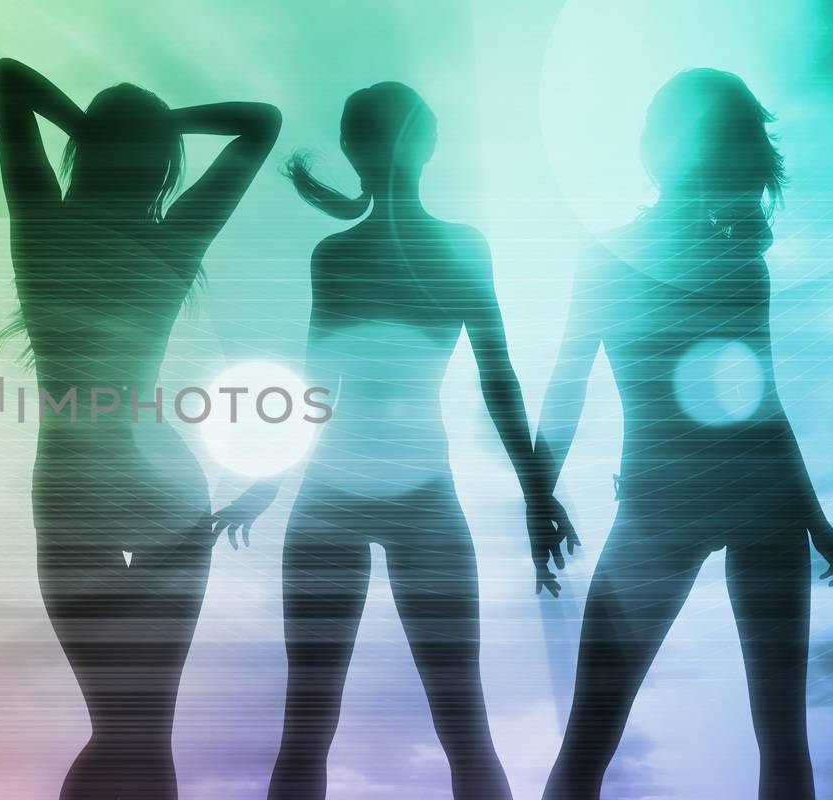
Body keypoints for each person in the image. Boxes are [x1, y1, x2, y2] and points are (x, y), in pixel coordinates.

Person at [213, 82, 575, 800]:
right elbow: (495, 380)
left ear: (355, 148)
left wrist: (267, 484)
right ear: (427, 144)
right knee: (457, 724)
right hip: (415, 496)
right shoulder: (452, 248)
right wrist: (538, 494)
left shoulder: (341, 254)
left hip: (338, 497)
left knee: (311, 726)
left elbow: (319, 389)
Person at [537, 69, 833, 800]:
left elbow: (569, 387)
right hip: (738, 508)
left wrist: (538, 493)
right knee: (780, 739)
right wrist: (814, 519)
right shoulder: (736, 263)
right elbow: (764, 410)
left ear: (659, 147)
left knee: (592, 737)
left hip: (670, 505)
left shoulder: (622, 258)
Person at [0, 57, 280, 798]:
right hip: (161, 483)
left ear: (83, 153)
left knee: (119, 727)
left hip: (71, 486)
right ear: (160, 164)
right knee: (145, 729)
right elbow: (261, 123)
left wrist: (94, 129)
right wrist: (161, 127)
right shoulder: (174, 239)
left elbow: (10, 80)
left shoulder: (42, 226)